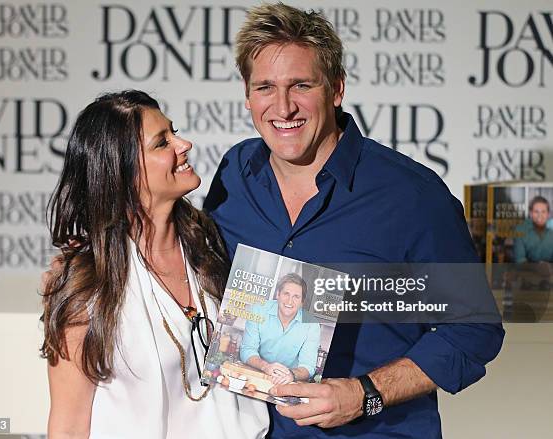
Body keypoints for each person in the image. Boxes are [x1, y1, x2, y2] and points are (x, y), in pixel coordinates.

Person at [203, 3, 504, 438]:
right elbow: (197, 266)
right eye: (265, 87)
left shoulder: (411, 196)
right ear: (247, 95)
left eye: (301, 85)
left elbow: (474, 330)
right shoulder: (235, 174)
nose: (283, 107)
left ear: (336, 88)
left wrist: (365, 393)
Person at [41, 90, 268, 439]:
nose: (184, 144)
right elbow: (69, 428)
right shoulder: (86, 287)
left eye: (173, 132)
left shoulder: (213, 248)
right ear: (122, 172)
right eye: (162, 143)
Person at [240, 273, 321, 384]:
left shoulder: (311, 325)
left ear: (302, 302)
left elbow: (308, 366)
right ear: (278, 294)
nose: (289, 301)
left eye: (296, 297)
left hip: (288, 381)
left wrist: (291, 374)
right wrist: (266, 367)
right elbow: (247, 350)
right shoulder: (258, 310)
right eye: (286, 294)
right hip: (256, 374)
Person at [514, 196, 553, 263]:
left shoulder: (551, 231)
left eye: (543, 212)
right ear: (531, 214)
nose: (540, 215)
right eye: (536, 212)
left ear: (548, 214)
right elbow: (519, 260)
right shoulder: (520, 230)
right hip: (526, 272)